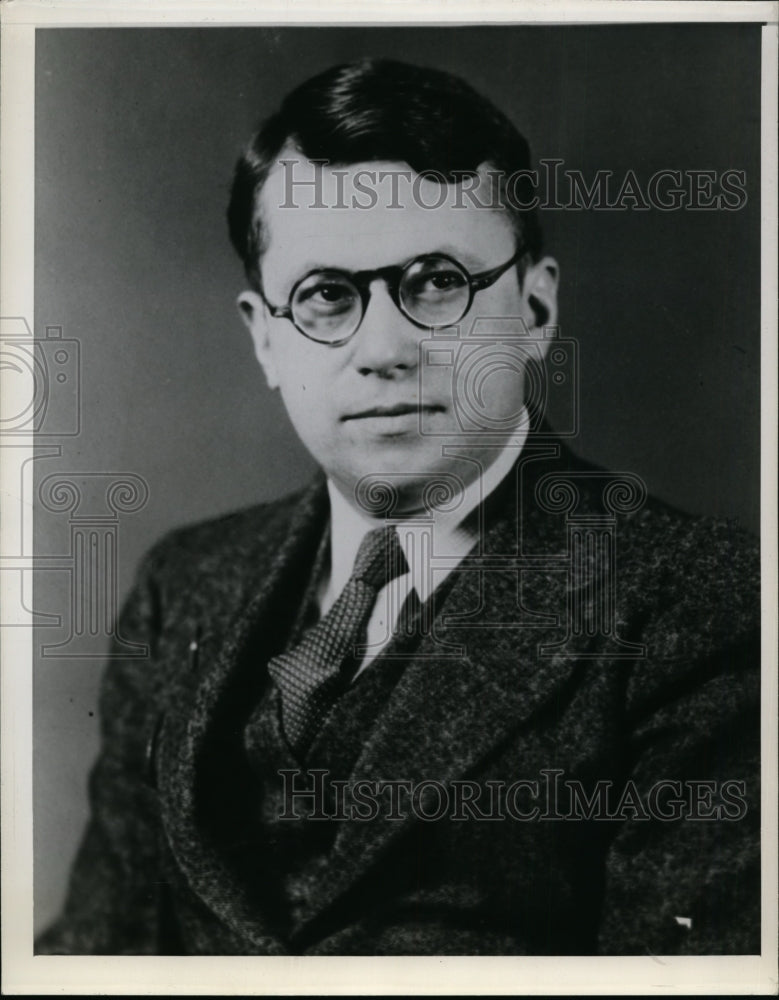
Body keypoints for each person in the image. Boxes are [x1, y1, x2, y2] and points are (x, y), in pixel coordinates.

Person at [36, 58, 760, 956]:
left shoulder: (705, 605)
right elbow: (93, 957)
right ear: (265, 338)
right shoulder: (181, 583)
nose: (383, 348)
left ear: (534, 310)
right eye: (326, 296)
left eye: (435, 282)